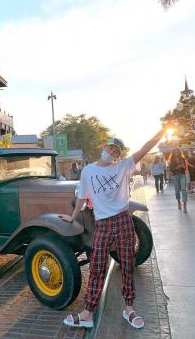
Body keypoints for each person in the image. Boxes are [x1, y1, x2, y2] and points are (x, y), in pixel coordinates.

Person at [60, 130, 164, 330]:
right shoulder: (88, 171)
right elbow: (82, 196)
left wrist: (162, 132)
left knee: (127, 263)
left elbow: (144, 149)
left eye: (115, 151)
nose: (111, 152)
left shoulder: (124, 166)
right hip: (103, 223)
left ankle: (129, 308)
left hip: (124, 220)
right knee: (97, 265)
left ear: (118, 155)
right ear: (103, 147)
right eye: (109, 147)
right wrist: (72, 216)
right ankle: (88, 313)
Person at [169, 149, 187, 213]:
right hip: (175, 176)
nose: (176, 153)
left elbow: (185, 168)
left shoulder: (182, 158)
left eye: (177, 152)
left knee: (184, 190)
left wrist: (183, 166)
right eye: (175, 152)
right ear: (173, 153)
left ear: (179, 153)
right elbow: (171, 169)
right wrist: (177, 167)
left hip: (182, 175)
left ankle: (184, 205)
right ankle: (179, 202)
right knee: (177, 190)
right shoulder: (171, 160)